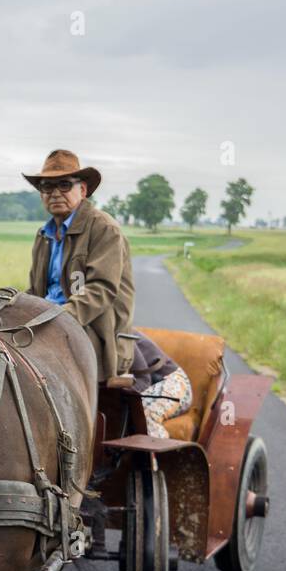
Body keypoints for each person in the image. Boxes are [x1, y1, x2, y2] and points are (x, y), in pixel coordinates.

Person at [23, 149, 135, 382]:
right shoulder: (44, 234)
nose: (55, 193)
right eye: (46, 187)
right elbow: (35, 292)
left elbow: (100, 290)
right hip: (49, 323)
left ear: (82, 190)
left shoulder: (104, 229)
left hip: (93, 330)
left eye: (64, 185)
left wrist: (56, 317)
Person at [130, 330, 193, 438]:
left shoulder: (123, 334)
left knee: (144, 412)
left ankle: (161, 454)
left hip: (175, 382)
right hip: (149, 387)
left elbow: (144, 380)